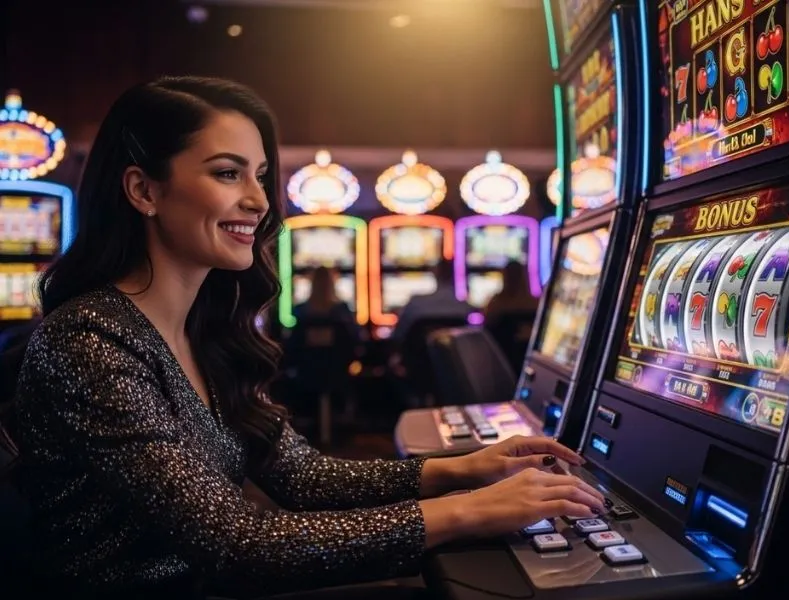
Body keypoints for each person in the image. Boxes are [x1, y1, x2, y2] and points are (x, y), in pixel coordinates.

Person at [13, 76, 606, 599]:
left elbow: (302, 477)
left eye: (261, 176)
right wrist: (466, 512)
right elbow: (239, 547)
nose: (258, 200)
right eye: (227, 173)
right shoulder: (90, 339)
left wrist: (468, 469)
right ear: (144, 190)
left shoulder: (200, 333)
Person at [391, 258, 473, 342]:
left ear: (434, 274)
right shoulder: (463, 306)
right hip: (450, 354)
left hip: (417, 353)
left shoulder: (416, 302)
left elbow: (397, 336)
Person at [293, 266, 360, 340]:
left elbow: (292, 343)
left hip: (306, 352)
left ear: (312, 284)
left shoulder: (301, 310)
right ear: (331, 284)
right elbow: (356, 336)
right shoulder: (341, 310)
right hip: (337, 352)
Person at [483, 260, 539, 325]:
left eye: (516, 275)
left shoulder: (495, 303)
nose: (513, 280)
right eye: (511, 275)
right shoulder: (534, 303)